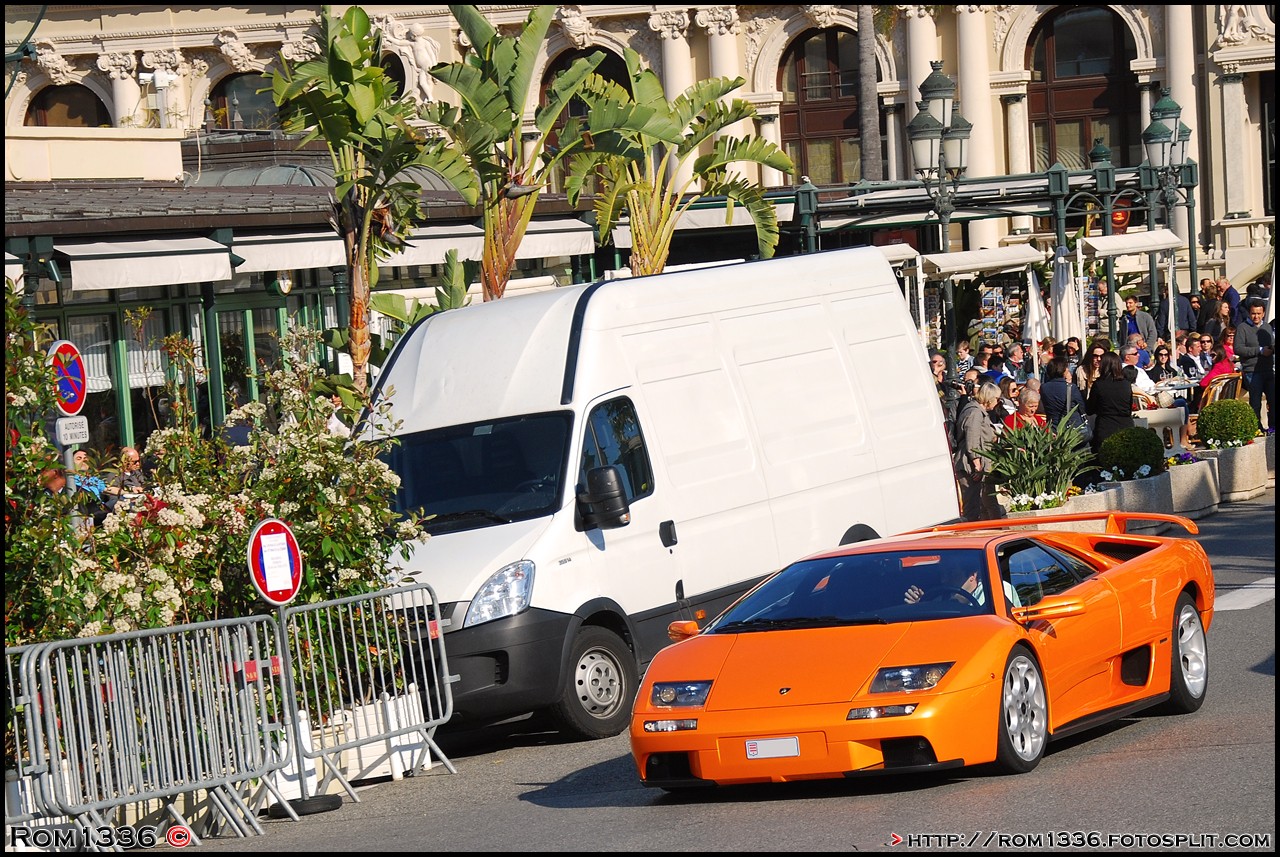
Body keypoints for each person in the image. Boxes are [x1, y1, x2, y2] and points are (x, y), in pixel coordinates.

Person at [954, 381, 1004, 522]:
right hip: (971, 466)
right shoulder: (975, 412)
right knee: (973, 508)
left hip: (978, 464)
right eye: (997, 399)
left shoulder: (978, 411)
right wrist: (977, 465)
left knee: (986, 504)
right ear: (989, 398)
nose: (998, 402)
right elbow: (972, 439)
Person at [1234, 299, 1275, 429]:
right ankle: (1256, 428)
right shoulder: (1242, 328)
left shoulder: (1267, 327)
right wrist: (1260, 350)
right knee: (1255, 403)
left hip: (1268, 369)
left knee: (1273, 401)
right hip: (1252, 370)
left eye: (1258, 313)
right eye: (1253, 313)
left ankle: (1272, 428)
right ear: (1249, 313)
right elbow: (1238, 349)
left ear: (1263, 313)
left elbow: (1271, 344)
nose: (1256, 316)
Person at [1087, 351, 1135, 454]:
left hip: (1105, 427)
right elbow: (1129, 407)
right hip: (1126, 426)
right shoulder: (1126, 384)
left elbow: (1089, 409)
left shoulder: (1099, 385)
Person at [105, 446, 146, 511]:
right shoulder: (114, 476)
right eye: (134, 462)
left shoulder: (137, 474)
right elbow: (113, 499)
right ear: (125, 461)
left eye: (139, 460)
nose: (138, 464)